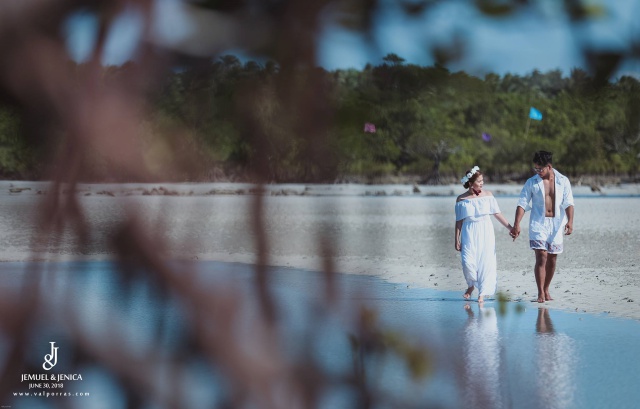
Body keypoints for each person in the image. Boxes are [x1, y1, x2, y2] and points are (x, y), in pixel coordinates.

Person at [510, 151, 575, 303]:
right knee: (542, 256)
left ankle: (546, 288)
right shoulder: (531, 182)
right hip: (538, 223)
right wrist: (516, 224)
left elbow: (569, 202)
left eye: (540, 169)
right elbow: (522, 203)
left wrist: (570, 221)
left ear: (549, 166)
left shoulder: (563, 181)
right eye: (535, 169)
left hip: (556, 224)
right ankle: (540, 292)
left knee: (552, 259)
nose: (537, 172)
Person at [455, 166, 512, 303]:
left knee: (486, 262)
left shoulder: (488, 195)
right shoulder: (461, 199)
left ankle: (482, 293)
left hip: (485, 230)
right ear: (470, 183)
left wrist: (510, 227)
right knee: (467, 262)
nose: (482, 183)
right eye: (479, 181)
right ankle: (471, 285)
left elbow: (497, 213)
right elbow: (459, 221)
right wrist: (456, 239)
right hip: (469, 232)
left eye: (482, 180)